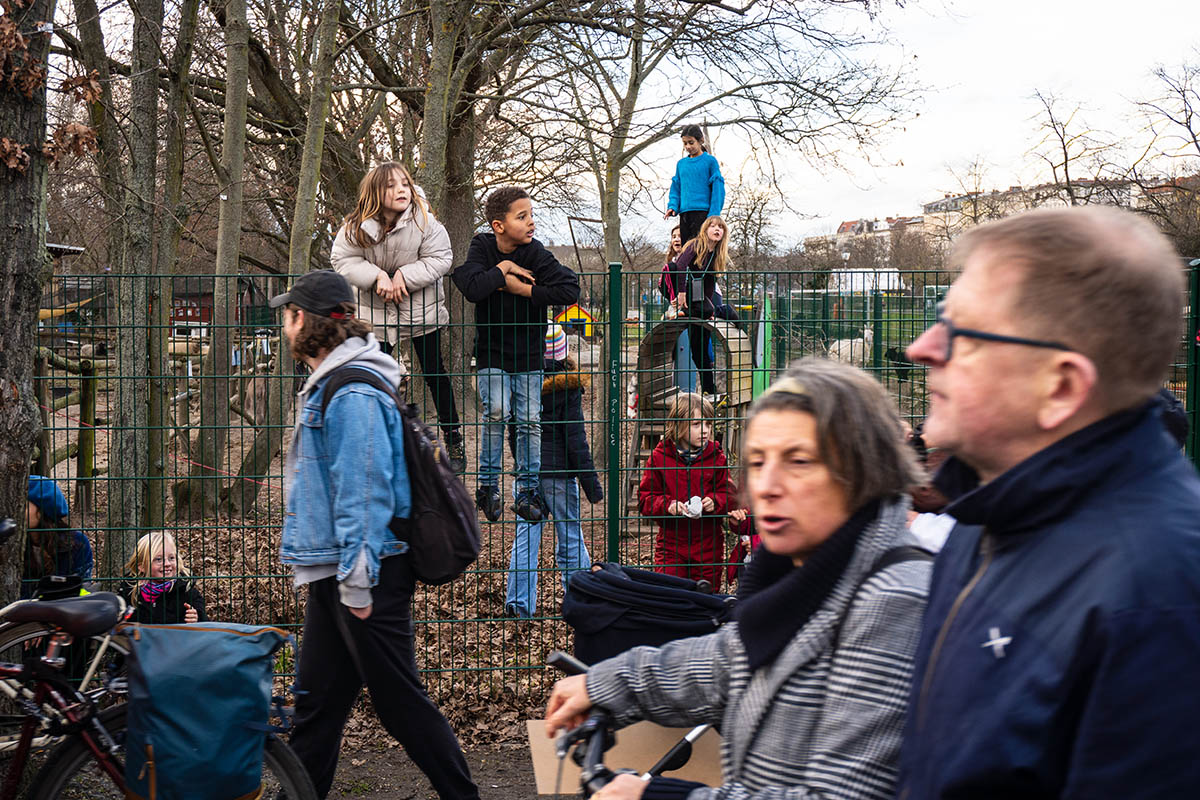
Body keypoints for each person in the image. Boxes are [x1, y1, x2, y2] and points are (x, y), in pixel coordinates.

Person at [898, 206, 1200, 798]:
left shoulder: (1161, 598)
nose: (920, 347)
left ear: (1059, 386)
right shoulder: (983, 516)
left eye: (959, 332)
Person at [546, 358, 932, 800]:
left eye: (798, 460)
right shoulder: (803, 574)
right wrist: (607, 685)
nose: (767, 484)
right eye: (758, 462)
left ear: (863, 468)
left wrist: (654, 796)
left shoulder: (894, 598)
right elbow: (726, 662)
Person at [270, 269, 478, 800]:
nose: (283, 325)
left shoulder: (352, 392)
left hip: (367, 572)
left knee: (399, 703)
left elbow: (365, 489)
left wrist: (358, 582)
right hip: (335, 571)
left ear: (306, 321)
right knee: (317, 708)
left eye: (288, 315)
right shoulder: (332, 383)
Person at [452, 186, 581, 523]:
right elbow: (470, 285)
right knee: (496, 411)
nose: (531, 222)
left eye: (531, 215)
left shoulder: (536, 253)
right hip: (492, 352)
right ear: (499, 225)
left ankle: (526, 491)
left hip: (528, 354)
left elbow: (569, 288)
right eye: (522, 217)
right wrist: (504, 268)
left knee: (529, 421)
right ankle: (487, 486)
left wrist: (521, 288)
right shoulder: (482, 246)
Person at [331, 161, 466, 474]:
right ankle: (375, 442)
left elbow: (441, 257)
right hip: (375, 315)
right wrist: (376, 276)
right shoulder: (356, 227)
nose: (401, 190)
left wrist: (405, 275)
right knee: (375, 378)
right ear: (376, 192)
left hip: (420, 309)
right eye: (392, 185)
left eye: (404, 184)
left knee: (435, 373)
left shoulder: (425, 222)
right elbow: (342, 258)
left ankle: (454, 436)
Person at [503, 325, 603, 618]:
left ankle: (518, 605)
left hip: (527, 473)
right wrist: (591, 485)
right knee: (570, 534)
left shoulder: (520, 385)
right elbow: (575, 439)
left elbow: (513, 431)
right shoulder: (568, 387)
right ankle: (580, 604)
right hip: (559, 473)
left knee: (526, 536)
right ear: (563, 352)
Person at [637, 392, 735, 589]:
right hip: (671, 544)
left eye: (708, 424)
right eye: (697, 425)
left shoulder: (716, 457)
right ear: (679, 424)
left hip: (708, 543)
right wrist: (668, 505)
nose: (705, 431)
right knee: (671, 595)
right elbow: (645, 499)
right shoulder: (659, 457)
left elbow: (730, 494)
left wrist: (715, 501)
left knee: (706, 596)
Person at [661, 216, 731, 395]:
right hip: (683, 291)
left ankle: (709, 388)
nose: (717, 229)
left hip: (696, 298)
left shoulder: (715, 253)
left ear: (724, 233)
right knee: (697, 343)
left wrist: (709, 307)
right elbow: (681, 266)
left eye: (720, 227)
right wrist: (681, 294)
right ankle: (716, 310)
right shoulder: (696, 245)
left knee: (699, 348)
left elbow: (709, 281)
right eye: (713, 226)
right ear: (705, 229)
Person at [21, 474, 93, 599]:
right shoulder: (9, 542)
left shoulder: (77, 543)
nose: (18, 511)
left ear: (43, 510)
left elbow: (82, 590)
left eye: (24, 506)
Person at [119, 531, 205, 624]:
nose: (167, 564)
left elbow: (206, 626)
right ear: (142, 567)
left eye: (171, 558)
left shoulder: (187, 591)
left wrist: (196, 618)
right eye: (158, 559)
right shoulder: (129, 592)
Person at [664, 124, 725, 246]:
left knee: (702, 249)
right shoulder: (681, 164)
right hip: (685, 214)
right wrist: (673, 206)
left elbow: (718, 189)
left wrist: (714, 215)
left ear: (700, 140)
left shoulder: (710, 161)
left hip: (703, 213)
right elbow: (676, 187)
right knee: (687, 249)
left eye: (691, 142)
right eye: (685, 143)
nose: (688, 146)